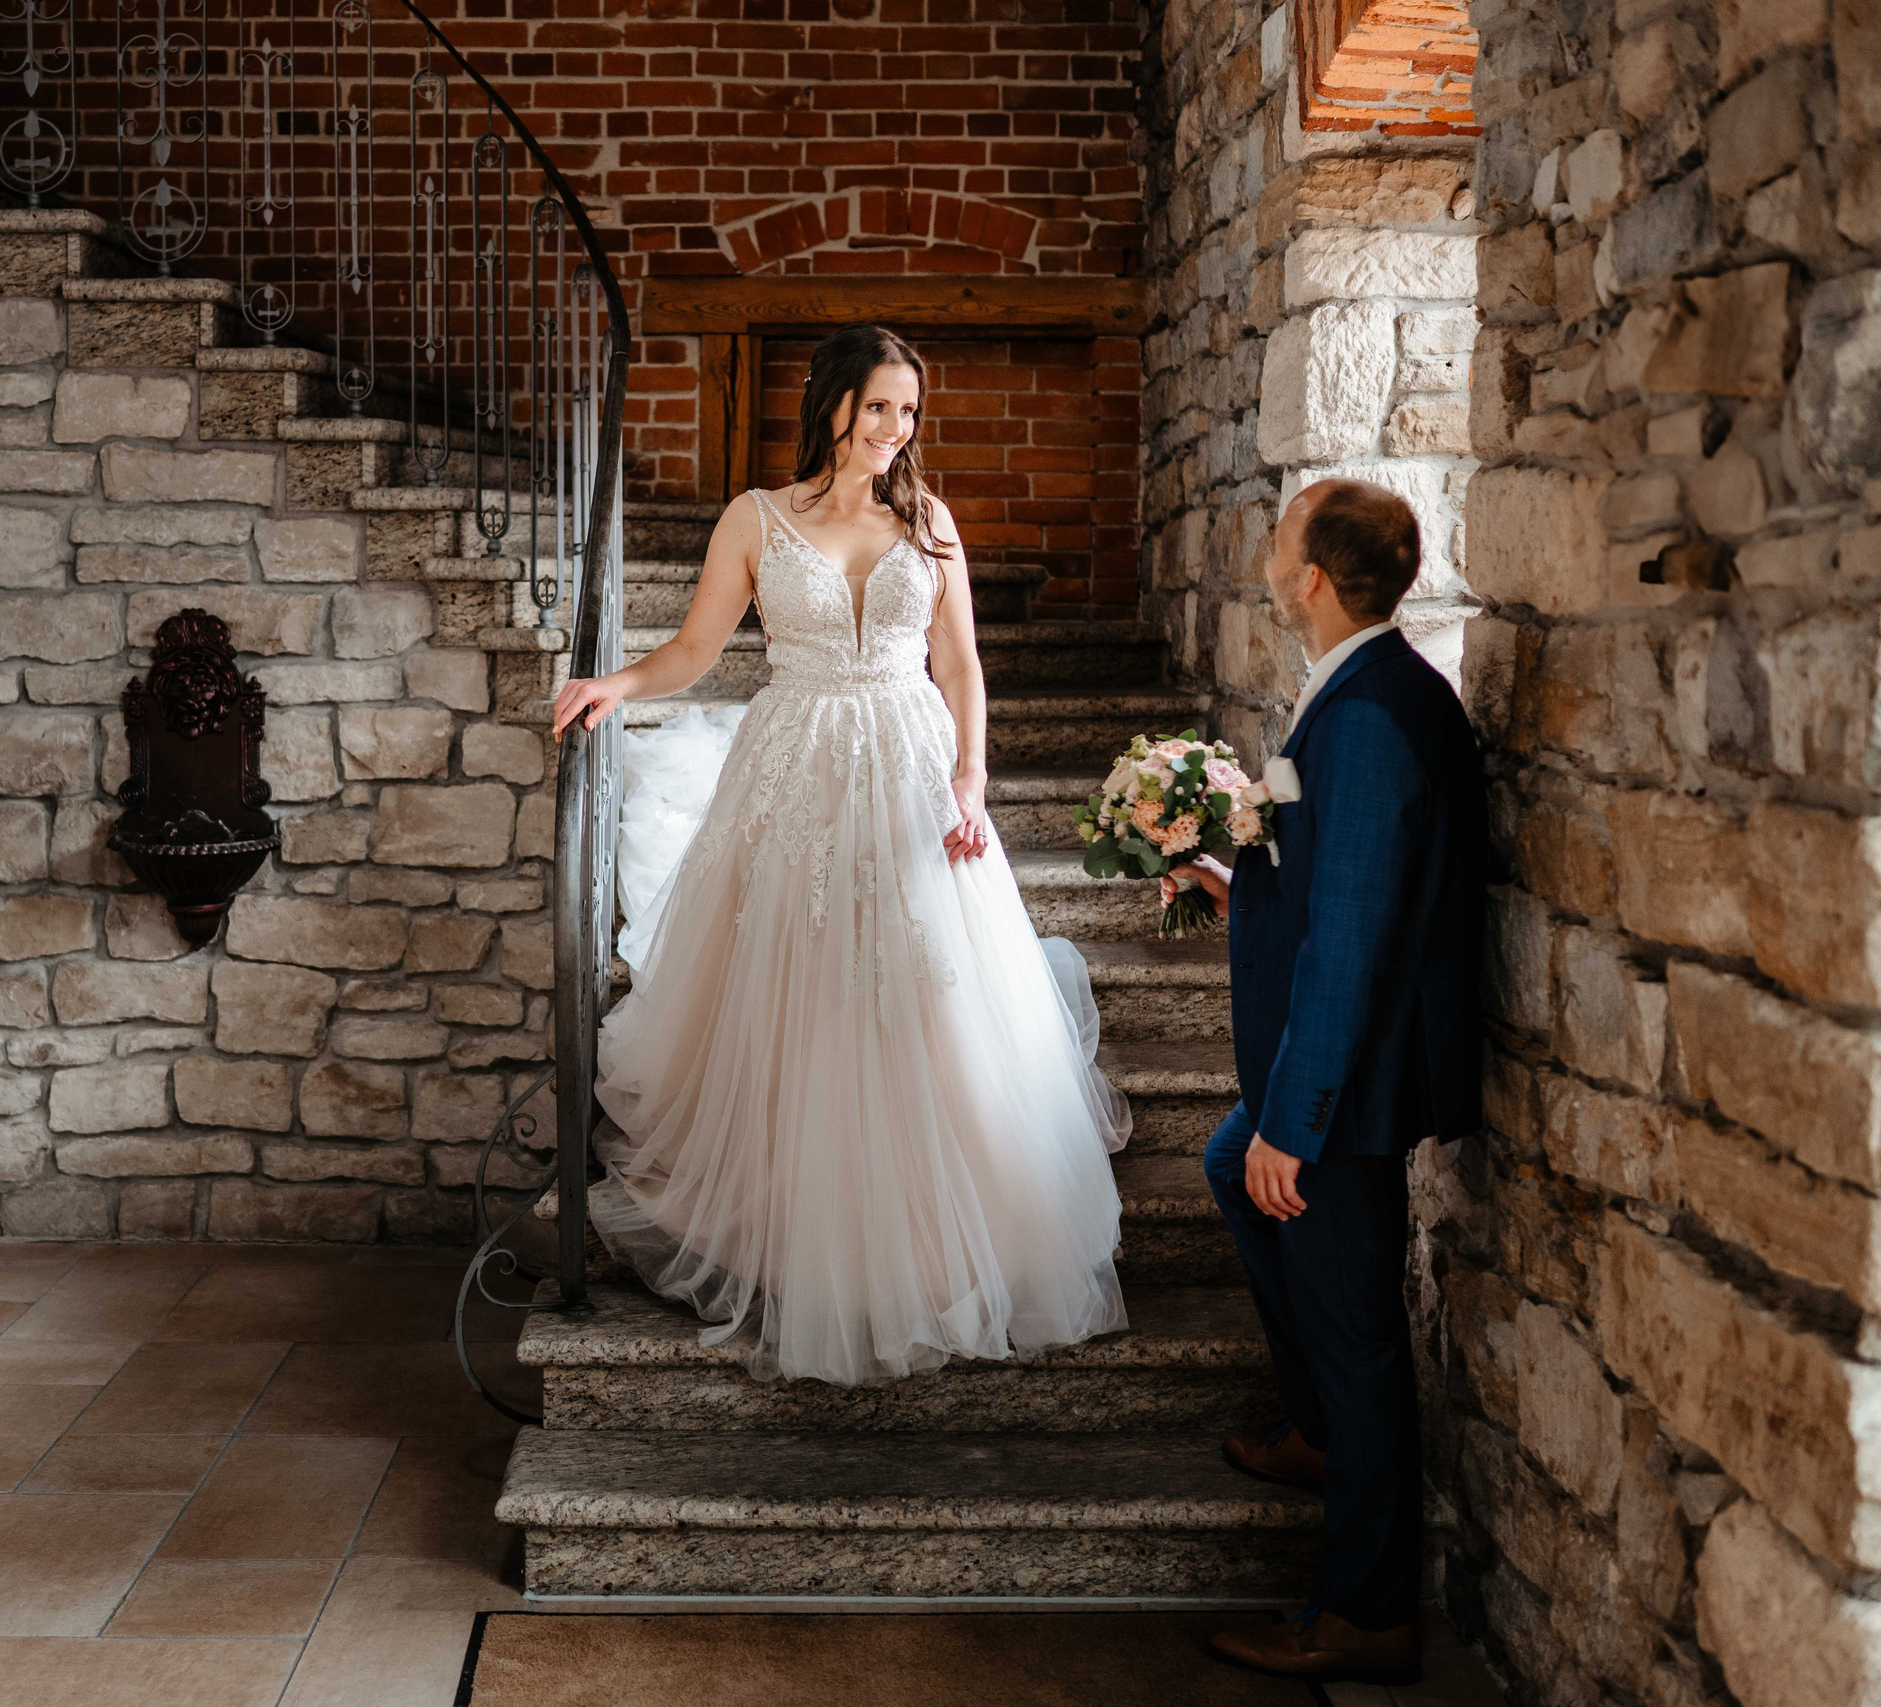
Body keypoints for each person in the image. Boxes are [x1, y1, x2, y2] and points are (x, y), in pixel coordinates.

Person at [549, 323, 1133, 1388]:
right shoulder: (755, 519)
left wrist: (971, 777)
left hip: (912, 768)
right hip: (798, 768)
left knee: (926, 989)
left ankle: (943, 1232)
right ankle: (800, 1230)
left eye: (908, 411)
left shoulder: (929, 520)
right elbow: (695, 649)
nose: (894, 428)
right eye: (878, 407)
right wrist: (614, 686)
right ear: (832, 407)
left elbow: (961, 665)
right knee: (805, 989)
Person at [1166, 479, 1485, 1687]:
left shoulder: (1368, 715)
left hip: (1349, 1086)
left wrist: (1293, 1125)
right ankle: (1314, 1432)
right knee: (1225, 1167)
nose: (1264, 556)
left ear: (1309, 578)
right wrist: (1231, 879)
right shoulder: (1359, 684)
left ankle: (1363, 1612)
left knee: (1357, 1341)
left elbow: (1352, 938)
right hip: (1339, 1067)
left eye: (1278, 539)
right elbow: (1331, 877)